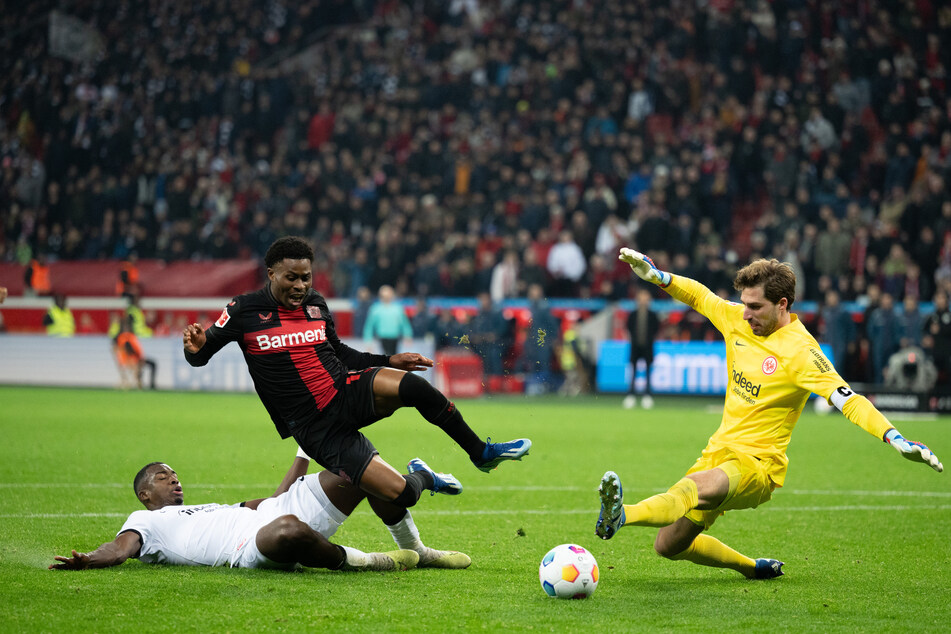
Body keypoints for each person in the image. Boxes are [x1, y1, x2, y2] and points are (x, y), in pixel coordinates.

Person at [595, 248, 943, 580]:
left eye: (755, 307)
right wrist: (658, 276)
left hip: (758, 466)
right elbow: (702, 297)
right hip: (719, 451)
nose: (745, 314)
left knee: (693, 488)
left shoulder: (803, 352)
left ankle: (620, 515)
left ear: (782, 305)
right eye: (744, 304)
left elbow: (849, 400)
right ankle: (752, 568)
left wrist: (893, 437)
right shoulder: (739, 320)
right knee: (668, 545)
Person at [182, 236, 531, 512]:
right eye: (291, 277)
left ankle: (480, 453)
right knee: (402, 495)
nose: (300, 285)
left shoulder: (316, 304)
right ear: (271, 274)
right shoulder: (243, 310)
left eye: (306, 277)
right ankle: (425, 476)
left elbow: (341, 354)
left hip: (344, 389)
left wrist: (390, 359)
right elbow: (201, 356)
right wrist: (194, 347)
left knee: (416, 388)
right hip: (315, 428)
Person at [50, 447, 470, 572]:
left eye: (175, 473)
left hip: (276, 511)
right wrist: (90, 559)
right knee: (286, 529)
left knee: (359, 471)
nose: (174, 479)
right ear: (144, 494)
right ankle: (372, 562)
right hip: (248, 547)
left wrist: (304, 453)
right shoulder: (146, 521)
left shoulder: (204, 507)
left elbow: (272, 500)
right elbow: (121, 548)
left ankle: (421, 549)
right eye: (163, 477)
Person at [623, 287, 660, 410]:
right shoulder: (633, 314)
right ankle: (631, 395)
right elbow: (628, 327)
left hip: (648, 347)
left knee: (648, 372)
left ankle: (647, 395)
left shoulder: (653, 315)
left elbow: (656, 329)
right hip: (635, 346)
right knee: (633, 372)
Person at [363, 284, 413, 357]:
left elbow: (404, 323)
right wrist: (368, 341)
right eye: (384, 296)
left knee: (394, 356)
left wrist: (408, 335)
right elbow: (369, 326)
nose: (386, 297)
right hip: (382, 338)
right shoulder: (376, 309)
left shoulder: (398, 308)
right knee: (386, 357)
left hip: (395, 337)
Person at [113, 315, 157, 389]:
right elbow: (129, 351)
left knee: (149, 364)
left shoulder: (126, 337)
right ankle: (142, 383)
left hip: (135, 359)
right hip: (133, 360)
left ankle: (142, 383)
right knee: (147, 365)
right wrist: (137, 359)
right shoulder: (126, 337)